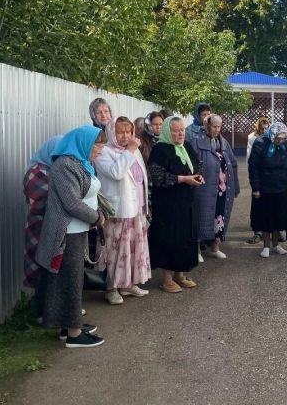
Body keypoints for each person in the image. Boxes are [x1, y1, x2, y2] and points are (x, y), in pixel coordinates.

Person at [34, 126, 107, 348]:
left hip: (77, 230)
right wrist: (96, 218)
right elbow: (71, 202)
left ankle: (69, 325)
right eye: (97, 145)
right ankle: (74, 335)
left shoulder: (80, 163)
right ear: (83, 143)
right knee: (71, 280)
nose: (100, 150)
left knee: (70, 279)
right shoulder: (64, 165)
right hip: (67, 233)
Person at [94, 118, 151, 304]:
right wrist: (130, 151)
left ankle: (129, 283)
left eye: (129, 131)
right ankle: (111, 287)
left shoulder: (132, 151)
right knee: (114, 249)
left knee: (134, 247)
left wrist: (145, 207)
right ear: (112, 133)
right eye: (121, 132)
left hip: (136, 208)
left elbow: (140, 178)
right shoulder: (104, 152)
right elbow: (116, 173)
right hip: (116, 210)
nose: (126, 136)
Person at [148, 116, 204, 292]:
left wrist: (198, 176)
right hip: (168, 204)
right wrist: (183, 179)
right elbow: (157, 177)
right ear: (167, 131)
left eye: (182, 129)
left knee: (186, 236)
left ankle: (180, 274)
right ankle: (167, 279)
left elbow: (197, 164)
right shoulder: (160, 150)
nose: (180, 133)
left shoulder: (186, 146)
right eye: (175, 130)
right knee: (170, 237)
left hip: (186, 202)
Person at [191, 114, 240, 260]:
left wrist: (235, 186)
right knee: (201, 217)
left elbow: (234, 163)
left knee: (220, 217)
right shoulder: (196, 142)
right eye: (214, 126)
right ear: (207, 126)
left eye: (219, 127)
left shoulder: (223, 142)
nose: (217, 130)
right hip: (204, 189)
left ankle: (215, 247)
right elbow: (192, 165)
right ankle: (197, 251)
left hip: (223, 189)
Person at [248, 122, 287, 259]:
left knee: (278, 217)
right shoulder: (260, 143)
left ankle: (276, 245)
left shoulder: (286, 144)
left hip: (280, 186)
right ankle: (266, 246)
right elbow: (253, 167)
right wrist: (255, 188)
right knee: (265, 218)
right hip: (264, 188)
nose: (279, 141)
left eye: (282, 139)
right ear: (272, 135)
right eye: (277, 138)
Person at [23, 135, 63, 289]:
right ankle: (43, 309)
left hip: (53, 227)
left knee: (54, 268)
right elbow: (42, 205)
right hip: (40, 227)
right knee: (41, 268)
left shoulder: (52, 169)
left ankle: (56, 306)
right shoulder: (37, 172)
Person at [246, 117, 270, 244]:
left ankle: (271, 230)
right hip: (257, 175)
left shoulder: (271, 138)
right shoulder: (252, 138)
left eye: (267, 128)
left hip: (268, 177)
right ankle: (257, 232)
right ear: (258, 128)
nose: (265, 130)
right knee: (257, 204)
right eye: (262, 128)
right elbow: (249, 158)